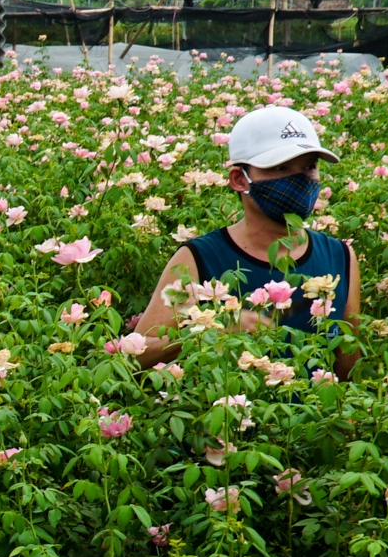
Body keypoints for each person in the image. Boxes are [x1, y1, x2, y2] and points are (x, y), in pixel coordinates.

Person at [126, 102, 362, 372]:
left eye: (309, 167)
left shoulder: (339, 257)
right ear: (239, 179)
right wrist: (213, 331)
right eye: (281, 169)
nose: (300, 180)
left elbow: (347, 369)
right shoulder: (199, 258)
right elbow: (136, 354)